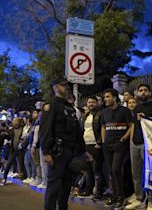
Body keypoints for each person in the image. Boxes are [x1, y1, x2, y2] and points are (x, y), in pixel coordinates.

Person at [40, 77, 92, 210]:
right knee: (54, 186)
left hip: (72, 152)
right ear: (56, 88)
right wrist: (46, 152)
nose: (67, 88)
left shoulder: (69, 108)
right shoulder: (50, 105)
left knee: (66, 186)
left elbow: (77, 132)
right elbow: (45, 130)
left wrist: (83, 150)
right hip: (58, 152)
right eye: (63, 86)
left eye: (67, 85)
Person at [126, 84, 152, 210]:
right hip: (135, 144)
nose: (143, 92)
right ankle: (139, 198)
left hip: (148, 144)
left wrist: (147, 118)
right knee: (135, 173)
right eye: (140, 90)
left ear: (149, 93)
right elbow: (134, 125)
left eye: (145, 90)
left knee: (150, 173)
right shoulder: (136, 107)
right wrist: (131, 141)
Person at [101, 88, 133, 209]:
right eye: (104, 97)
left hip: (120, 145)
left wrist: (123, 139)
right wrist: (104, 141)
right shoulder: (104, 112)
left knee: (116, 170)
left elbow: (131, 127)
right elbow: (103, 127)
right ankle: (114, 195)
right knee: (110, 171)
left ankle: (121, 197)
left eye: (108, 96)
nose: (105, 99)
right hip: (107, 145)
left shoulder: (125, 111)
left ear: (114, 97)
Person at [79, 96, 105, 199]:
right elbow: (82, 130)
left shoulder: (100, 114)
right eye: (89, 102)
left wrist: (99, 142)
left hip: (96, 145)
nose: (91, 104)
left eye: (93, 102)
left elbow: (102, 129)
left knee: (96, 169)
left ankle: (99, 191)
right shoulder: (85, 116)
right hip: (86, 145)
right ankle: (88, 190)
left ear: (97, 103)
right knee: (88, 169)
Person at [0, 117, 24, 185]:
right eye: (13, 121)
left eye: (15, 121)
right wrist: (4, 134)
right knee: (8, 164)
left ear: (18, 122)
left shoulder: (23, 129)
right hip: (13, 150)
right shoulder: (11, 130)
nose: (13, 122)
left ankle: (22, 177)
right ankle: (4, 178)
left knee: (21, 164)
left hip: (20, 150)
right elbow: (8, 137)